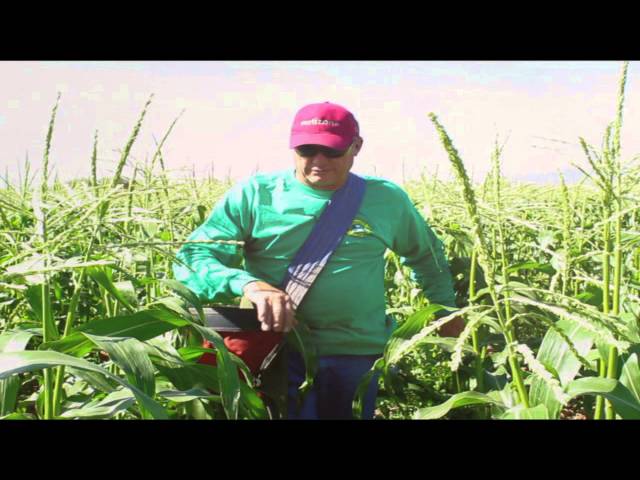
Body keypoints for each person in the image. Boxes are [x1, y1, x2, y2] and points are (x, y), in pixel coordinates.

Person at [173, 101, 463, 420]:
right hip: (280, 352)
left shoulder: (387, 200)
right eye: (307, 149)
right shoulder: (256, 195)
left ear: (356, 147)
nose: (318, 161)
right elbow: (193, 258)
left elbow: (426, 254)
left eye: (332, 151)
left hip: (357, 355)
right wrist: (250, 285)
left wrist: (445, 311)